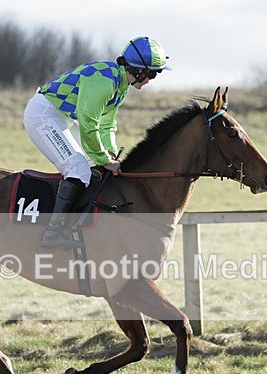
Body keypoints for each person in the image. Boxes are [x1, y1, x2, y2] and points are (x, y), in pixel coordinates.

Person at [23, 36, 171, 247]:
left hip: (63, 117)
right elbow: (89, 123)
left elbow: (107, 124)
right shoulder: (104, 82)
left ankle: (80, 225)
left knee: (94, 166)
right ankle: (52, 232)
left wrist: (109, 151)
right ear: (139, 70)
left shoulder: (121, 85)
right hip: (43, 115)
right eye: (153, 74)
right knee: (78, 168)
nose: (151, 80)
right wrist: (103, 158)